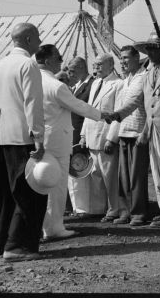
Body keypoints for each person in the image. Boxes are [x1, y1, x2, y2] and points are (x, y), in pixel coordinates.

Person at [110, 31, 160, 229]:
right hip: (154, 129)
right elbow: (142, 102)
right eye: (148, 48)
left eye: (154, 48)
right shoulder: (148, 73)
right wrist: (118, 115)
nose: (150, 52)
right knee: (159, 174)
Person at [0, 22, 46, 262]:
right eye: (38, 38)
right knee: (28, 192)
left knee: (4, 193)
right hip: (21, 137)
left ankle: (1, 241)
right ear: (29, 40)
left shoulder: (1, 64)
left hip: (0, 137)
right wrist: (38, 136)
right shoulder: (27, 64)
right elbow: (32, 103)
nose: (40, 43)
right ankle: (17, 246)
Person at [35, 44, 103, 240]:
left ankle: (41, 225)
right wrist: (102, 115)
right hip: (57, 141)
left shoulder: (31, 80)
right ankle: (54, 227)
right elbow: (78, 106)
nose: (61, 62)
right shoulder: (56, 85)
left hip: (38, 139)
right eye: (58, 58)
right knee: (56, 186)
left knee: (39, 184)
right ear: (48, 61)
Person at [107, 45, 149, 226]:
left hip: (137, 132)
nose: (122, 61)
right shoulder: (125, 80)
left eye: (125, 58)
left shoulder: (142, 77)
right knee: (123, 176)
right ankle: (125, 211)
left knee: (136, 176)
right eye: (121, 58)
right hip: (124, 131)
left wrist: (114, 115)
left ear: (136, 58)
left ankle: (138, 212)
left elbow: (133, 102)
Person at [79, 54, 122, 222]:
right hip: (91, 135)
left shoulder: (118, 84)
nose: (96, 67)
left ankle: (114, 209)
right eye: (94, 64)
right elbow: (88, 110)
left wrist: (112, 138)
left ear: (111, 64)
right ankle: (98, 208)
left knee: (109, 176)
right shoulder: (96, 83)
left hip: (105, 135)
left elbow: (119, 113)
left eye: (99, 64)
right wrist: (83, 134)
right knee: (96, 175)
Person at [66, 57, 95, 215]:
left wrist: (83, 134)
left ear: (81, 67)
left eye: (72, 70)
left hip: (81, 133)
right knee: (73, 172)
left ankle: (83, 207)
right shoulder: (76, 86)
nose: (71, 74)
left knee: (81, 171)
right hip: (72, 133)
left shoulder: (91, 85)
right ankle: (77, 206)